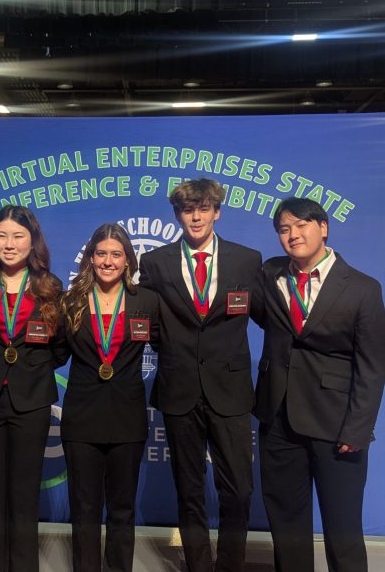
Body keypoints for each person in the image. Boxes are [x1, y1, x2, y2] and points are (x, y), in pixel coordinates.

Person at [255, 197, 385, 572]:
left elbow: (372, 366)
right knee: (287, 531)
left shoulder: (362, 288)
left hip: (336, 425)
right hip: (278, 420)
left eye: (301, 226)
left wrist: (357, 430)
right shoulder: (270, 274)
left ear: (323, 227)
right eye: (284, 229)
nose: (292, 235)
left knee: (343, 532)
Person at [138, 178, 262, 572]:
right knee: (188, 488)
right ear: (177, 214)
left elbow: (264, 314)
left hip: (231, 388)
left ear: (217, 212)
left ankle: (229, 564)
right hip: (179, 388)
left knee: (239, 489)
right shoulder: (154, 262)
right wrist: (174, 352)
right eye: (188, 210)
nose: (196, 216)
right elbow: (150, 322)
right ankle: (197, 565)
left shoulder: (248, 259)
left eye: (204, 208)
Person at [0, 205, 63, 572]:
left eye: (18, 236)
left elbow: (60, 345)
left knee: (24, 496)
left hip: (31, 400)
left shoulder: (49, 285)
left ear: (32, 241)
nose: (9, 244)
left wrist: (33, 368)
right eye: (2, 235)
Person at [60, 223, 160, 572]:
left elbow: (169, 348)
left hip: (127, 418)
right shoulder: (70, 300)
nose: (107, 261)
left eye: (116, 254)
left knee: (122, 508)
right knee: (84, 509)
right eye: (101, 254)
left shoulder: (146, 301)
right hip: (81, 418)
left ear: (128, 260)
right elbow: (56, 352)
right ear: (90, 259)